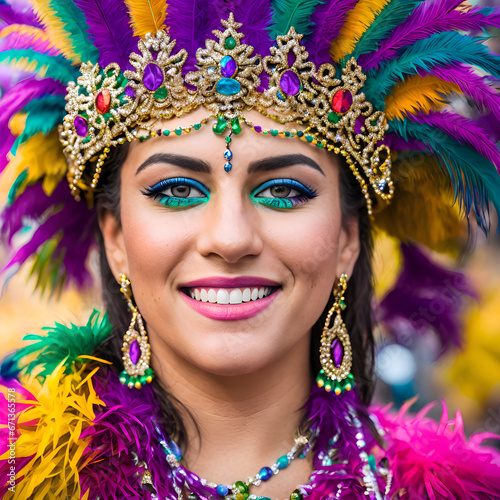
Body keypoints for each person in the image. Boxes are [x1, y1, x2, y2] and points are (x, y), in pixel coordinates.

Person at [1, 1, 500, 499]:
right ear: (115, 239)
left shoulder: (458, 492)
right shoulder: (18, 469)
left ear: (348, 238)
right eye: (176, 190)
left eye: (283, 191)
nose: (230, 239)